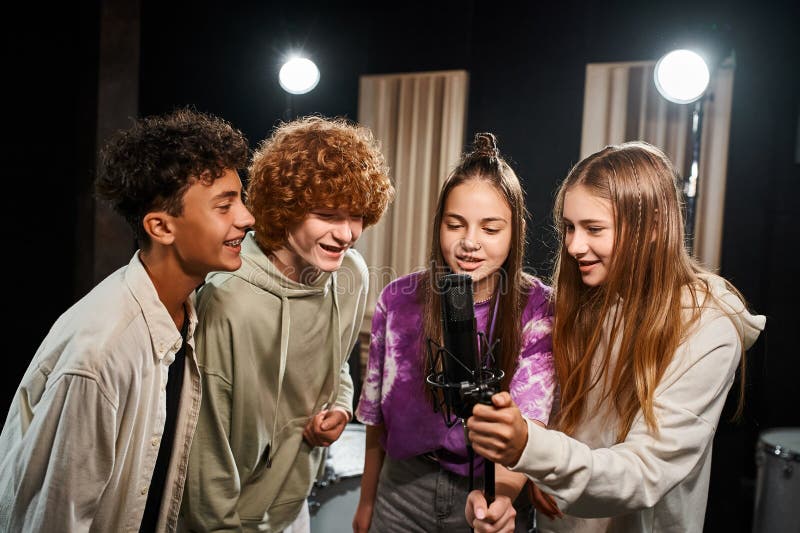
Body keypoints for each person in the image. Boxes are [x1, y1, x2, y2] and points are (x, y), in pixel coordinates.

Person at [465, 141, 766, 533]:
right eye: (569, 228)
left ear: (654, 225)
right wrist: (510, 489)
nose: (574, 246)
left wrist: (531, 451)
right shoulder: (585, 298)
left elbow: (644, 472)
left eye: (593, 229)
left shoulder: (707, 326)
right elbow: (555, 421)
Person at [0, 108, 255, 531]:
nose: (246, 218)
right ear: (161, 226)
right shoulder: (100, 354)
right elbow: (53, 518)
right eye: (225, 205)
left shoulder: (184, 312)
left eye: (240, 201)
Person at [179, 116, 394, 532]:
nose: (347, 233)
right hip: (225, 519)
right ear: (285, 207)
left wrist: (339, 405)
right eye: (327, 214)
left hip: (294, 507)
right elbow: (204, 443)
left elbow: (337, 366)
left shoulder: (352, 276)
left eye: (357, 216)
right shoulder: (229, 299)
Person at [353, 132, 556, 532]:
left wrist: (501, 500)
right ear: (438, 226)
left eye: (491, 229)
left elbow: (532, 426)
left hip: (491, 487)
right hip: (401, 491)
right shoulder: (397, 299)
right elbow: (376, 421)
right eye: (455, 224)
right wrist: (366, 502)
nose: (469, 243)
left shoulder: (539, 308)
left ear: (514, 232)